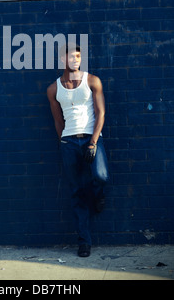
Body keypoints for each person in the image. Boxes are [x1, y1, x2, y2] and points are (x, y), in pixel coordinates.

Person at [47, 43, 109, 257]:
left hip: (92, 139)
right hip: (69, 143)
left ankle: (99, 194)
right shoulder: (53, 89)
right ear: (62, 60)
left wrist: (92, 142)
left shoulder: (92, 81)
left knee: (101, 176)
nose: (75, 60)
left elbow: (101, 114)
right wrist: (64, 141)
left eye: (78, 56)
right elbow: (58, 121)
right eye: (71, 57)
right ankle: (84, 241)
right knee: (77, 192)